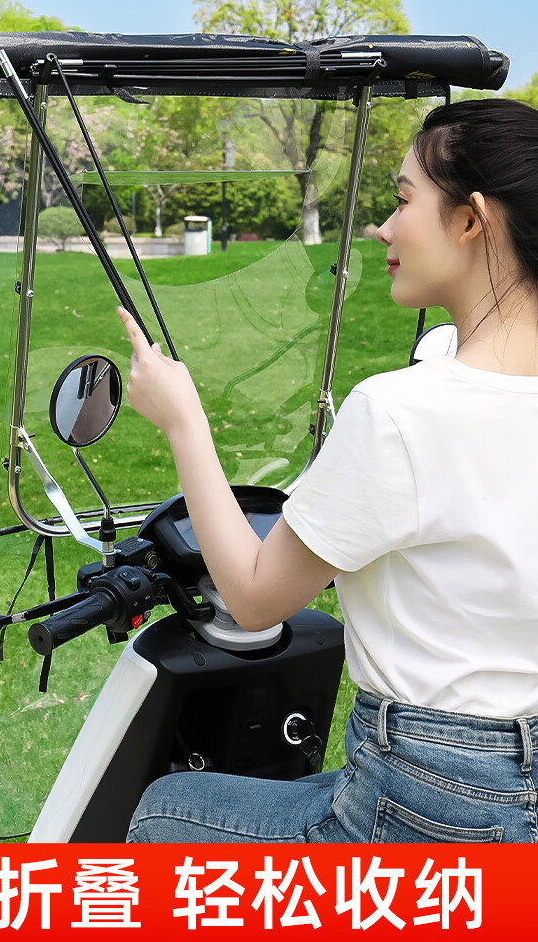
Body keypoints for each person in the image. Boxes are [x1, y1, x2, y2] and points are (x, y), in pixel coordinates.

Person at [119, 99, 538, 844]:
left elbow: (253, 599)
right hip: (518, 785)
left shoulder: (402, 412)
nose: (384, 226)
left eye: (405, 199)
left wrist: (184, 421)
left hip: (428, 797)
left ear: (472, 221)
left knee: (164, 813)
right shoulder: (447, 386)